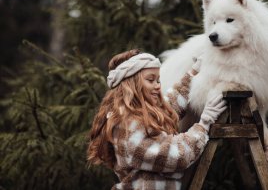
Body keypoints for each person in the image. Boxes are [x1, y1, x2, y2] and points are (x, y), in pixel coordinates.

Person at [87, 49, 227, 190]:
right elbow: (175, 156)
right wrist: (203, 125)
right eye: (150, 80)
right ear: (132, 84)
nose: (158, 85)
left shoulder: (135, 115)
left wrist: (191, 75)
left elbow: (167, 109)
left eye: (158, 80)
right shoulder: (129, 125)